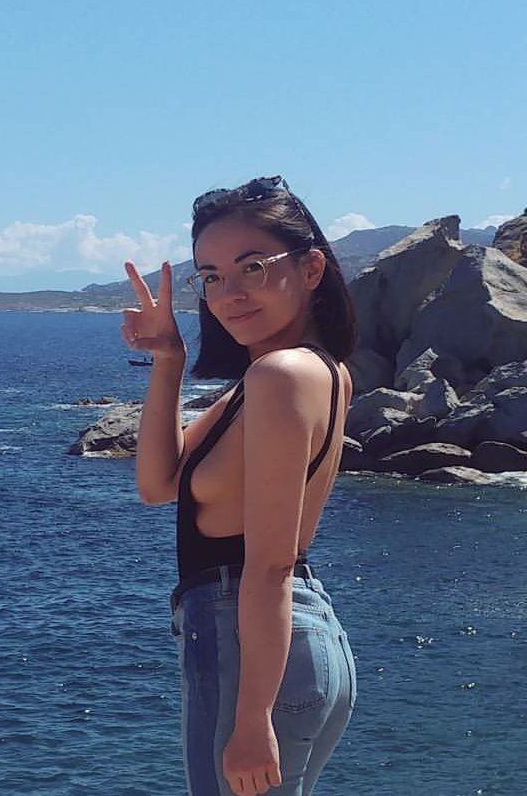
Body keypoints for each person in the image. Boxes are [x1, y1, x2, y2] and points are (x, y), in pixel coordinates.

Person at [122, 176, 357, 796]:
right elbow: (158, 483)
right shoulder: (284, 377)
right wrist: (168, 358)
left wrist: (253, 719)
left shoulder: (281, 376)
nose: (230, 293)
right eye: (212, 276)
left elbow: (271, 563)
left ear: (311, 268)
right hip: (291, 636)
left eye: (253, 267)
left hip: (247, 643)